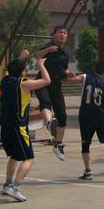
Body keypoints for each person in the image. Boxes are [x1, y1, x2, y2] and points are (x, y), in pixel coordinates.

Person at [0, 57, 51, 202]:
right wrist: (40, 65)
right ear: (23, 72)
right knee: (29, 158)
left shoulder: (5, 81)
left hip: (5, 126)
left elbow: (12, 69)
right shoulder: (24, 84)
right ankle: (14, 187)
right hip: (18, 126)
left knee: (15, 156)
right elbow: (47, 80)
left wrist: (22, 57)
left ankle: (7, 185)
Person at [67, 61, 104, 182]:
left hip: (86, 115)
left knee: (85, 144)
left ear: (94, 68)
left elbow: (71, 79)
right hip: (100, 116)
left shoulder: (86, 77)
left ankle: (88, 171)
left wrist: (69, 74)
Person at [35, 26, 73, 161]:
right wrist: (47, 50)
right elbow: (37, 57)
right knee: (46, 103)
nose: (62, 34)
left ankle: (58, 145)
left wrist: (68, 74)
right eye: (60, 32)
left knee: (62, 115)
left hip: (56, 84)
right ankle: (49, 123)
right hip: (42, 82)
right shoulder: (48, 46)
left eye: (65, 33)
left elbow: (64, 70)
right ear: (54, 35)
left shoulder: (66, 53)